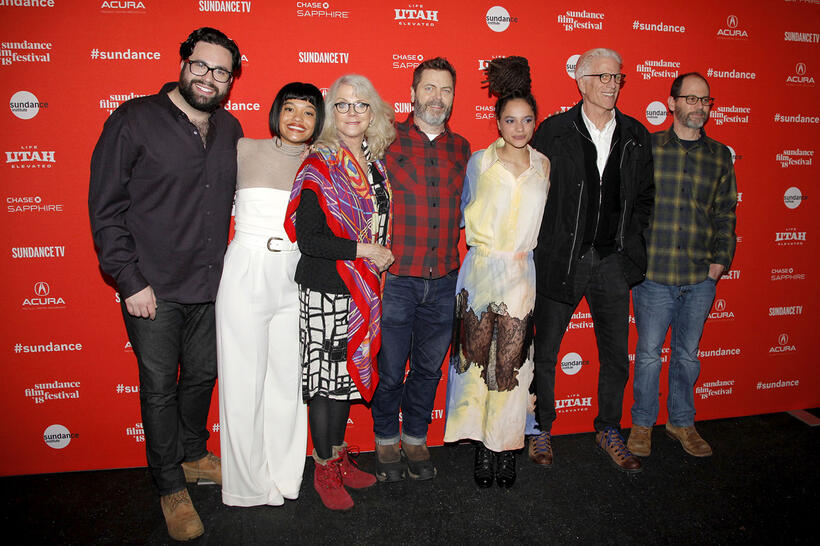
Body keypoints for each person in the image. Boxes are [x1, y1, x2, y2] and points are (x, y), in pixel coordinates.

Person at [88, 27, 243, 540]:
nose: (209, 77)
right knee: (158, 390)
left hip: (211, 286)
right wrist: (129, 279)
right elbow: (106, 208)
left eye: (221, 71)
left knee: (201, 377)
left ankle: (195, 454)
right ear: (184, 62)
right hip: (151, 288)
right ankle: (170, 485)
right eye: (201, 65)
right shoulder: (133, 120)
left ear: (230, 80)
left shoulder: (232, 129)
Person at [530, 47, 654, 473]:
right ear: (580, 82)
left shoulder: (636, 135)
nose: (612, 85)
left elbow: (644, 200)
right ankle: (541, 428)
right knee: (545, 351)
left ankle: (607, 428)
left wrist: (628, 247)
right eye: (603, 77)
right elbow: (535, 194)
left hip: (612, 263)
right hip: (562, 259)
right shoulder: (553, 131)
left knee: (616, 356)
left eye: (617, 78)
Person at [284, 74, 396, 511]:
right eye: (343, 104)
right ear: (333, 113)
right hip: (326, 288)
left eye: (361, 104)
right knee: (325, 386)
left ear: (373, 114)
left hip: (362, 289)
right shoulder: (320, 162)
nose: (352, 112)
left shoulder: (375, 162)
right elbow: (309, 239)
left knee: (345, 380)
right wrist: (365, 249)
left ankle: (338, 456)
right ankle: (324, 469)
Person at [216, 83, 324, 507]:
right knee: (243, 383)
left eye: (309, 112)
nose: (298, 119)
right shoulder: (243, 149)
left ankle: (284, 476)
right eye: (290, 109)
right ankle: (246, 486)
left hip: (294, 274)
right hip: (246, 268)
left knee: (288, 383)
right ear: (276, 111)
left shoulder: (321, 163)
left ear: (319, 121)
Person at [443, 57, 549, 489]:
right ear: (498, 122)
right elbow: (464, 215)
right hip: (481, 272)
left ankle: (506, 449)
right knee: (476, 365)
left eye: (527, 119)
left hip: (523, 274)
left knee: (512, 367)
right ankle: (482, 450)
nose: (519, 127)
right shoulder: (478, 163)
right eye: (510, 119)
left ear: (535, 121)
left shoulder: (544, 166)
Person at [370, 57, 471, 482]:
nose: (437, 98)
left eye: (446, 90)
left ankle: (415, 437)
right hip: (398, 280)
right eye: (429, 88)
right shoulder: (386, 141)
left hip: (445, 280)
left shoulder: (462, 148)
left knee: (429, 370)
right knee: (391, 370)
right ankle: (384, 440)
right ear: (412, 93)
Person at [627, 73, 737, 459]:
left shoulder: (720, 155)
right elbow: (629, 207)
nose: (699, 107)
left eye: (705, 100)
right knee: (648, 355)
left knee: (688, 356)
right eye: (690, 99)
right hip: (654, 275)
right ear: (671, 103)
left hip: (699, 277)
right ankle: (642, 424)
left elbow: (725, 213)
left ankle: (681, 422)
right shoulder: (649, 147)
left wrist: (720, 262)